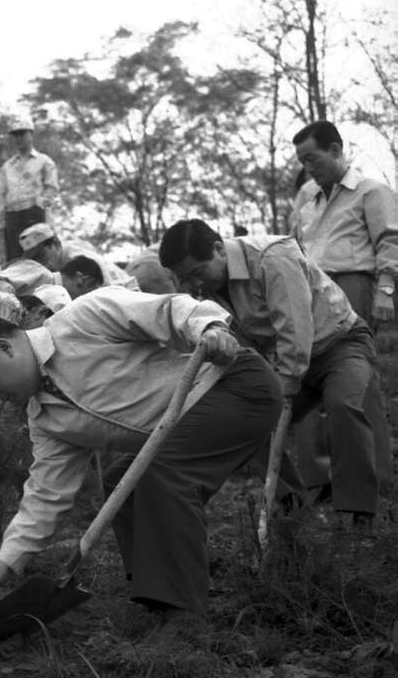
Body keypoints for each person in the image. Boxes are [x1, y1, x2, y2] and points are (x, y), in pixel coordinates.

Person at [0, 288, 281, 640]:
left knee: (160, 473)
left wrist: (211, 328)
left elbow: (168, 309)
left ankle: (185, 615)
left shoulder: (82, 319)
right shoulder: (45, 418)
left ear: (6, 347)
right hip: (185, 421)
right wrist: (7, 560)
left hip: (234, 383)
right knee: (120, 481)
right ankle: (157, 596)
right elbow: (46, 493)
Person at [159, 218, 383, 525]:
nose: (193, 285)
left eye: (197, 272)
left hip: (340, 344)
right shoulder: (209, 289)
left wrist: (286, 383)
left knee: (344, 405)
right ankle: (295, 510)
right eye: (184, 279)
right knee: (248, 423)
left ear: (218, 249)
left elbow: (295, 327)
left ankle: (357, 515)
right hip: (283, 358)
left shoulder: (273, 257)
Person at [289, 120, 398, 326]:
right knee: (317, 354)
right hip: (310, 288)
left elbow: (391, 241)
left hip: (352, 285)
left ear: (335, 150)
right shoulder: (307, 197)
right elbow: (294, 244)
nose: (308, 168)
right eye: (303, 162)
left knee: (354, 352)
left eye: (312, 159)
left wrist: (385, 290)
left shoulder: (371, 191)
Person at [0, 116, 60, 264]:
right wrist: (1, 222)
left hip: (35, 213)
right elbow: (1, 195)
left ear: (31, 134)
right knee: (15, 259)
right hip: (12, 216)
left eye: (22, 134)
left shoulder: (44, 161)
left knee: (38, 258)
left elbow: (52, 189)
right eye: (15, 135)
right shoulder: (7, 166)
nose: (18, 138)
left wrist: (43, 208)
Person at [19, 224, 139, 290]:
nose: (40, 262)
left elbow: (105, 288)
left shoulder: (79, 258)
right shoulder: (59, 262)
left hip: (125, 292)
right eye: (34, 258)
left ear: (55, 244)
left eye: (41, 255)